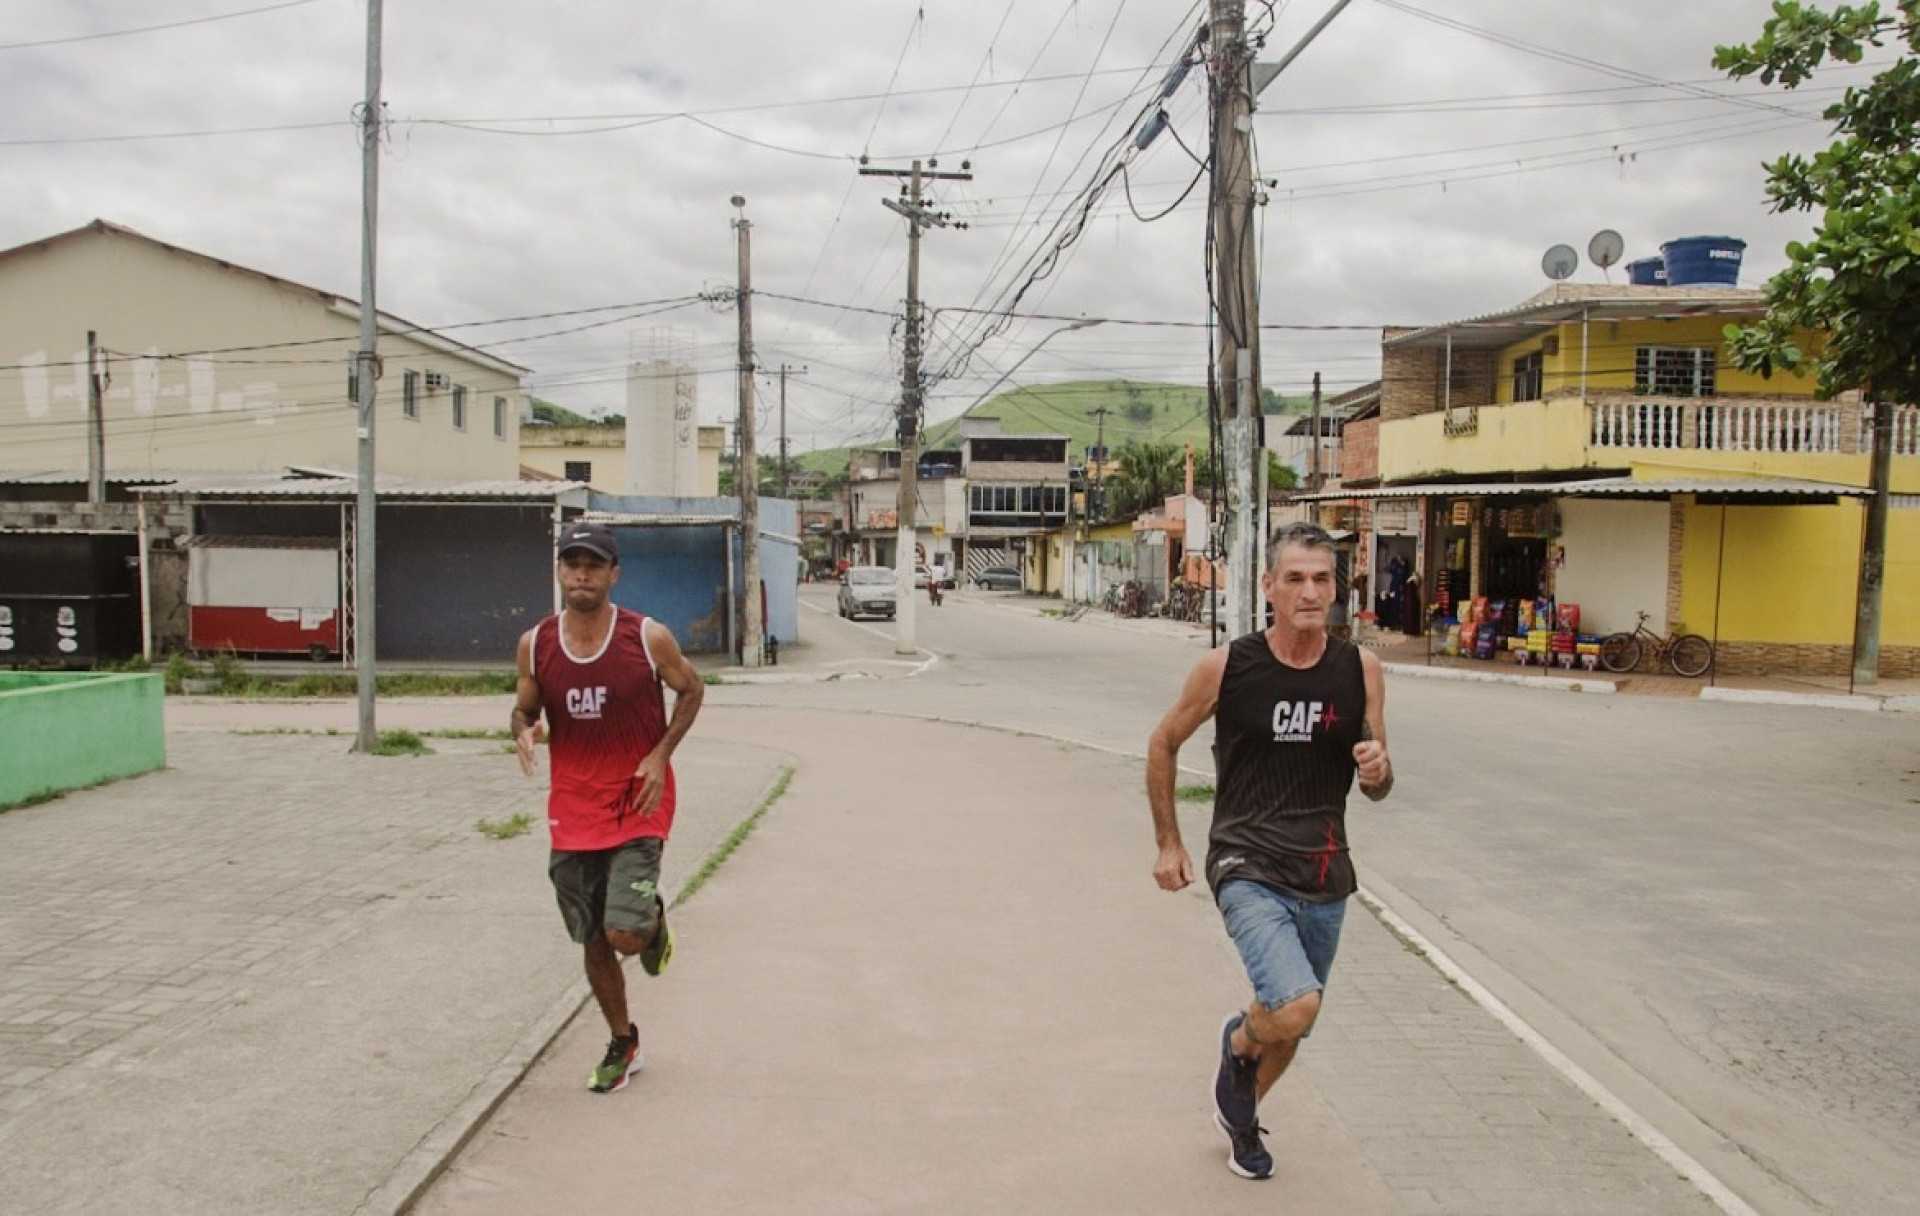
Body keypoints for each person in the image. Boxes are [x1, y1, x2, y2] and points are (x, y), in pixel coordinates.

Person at [1145, 521, 1393, 1180]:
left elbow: (1379, 781)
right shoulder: (1228, 667)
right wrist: (1169, 841)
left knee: (1295, 1024)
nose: (1310, 592)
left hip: (1325, 868)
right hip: (1246, 859)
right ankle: (1237, 1041)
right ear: (1269, 588)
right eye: (1295, 579)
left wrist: (1376, 770)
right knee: (1292, 1004)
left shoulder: (1359, 670)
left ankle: (1241, 1116)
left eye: (1321, 579)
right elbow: (1162, 743)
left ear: (1335, 588)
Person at [513, 520, 706, 1095]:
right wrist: (521, 730)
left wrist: (660, 753)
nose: (581, 573)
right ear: (558, 572)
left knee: (622, 934)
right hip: (572, 810)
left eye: (594, 564)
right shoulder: (536, 644)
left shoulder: (647, 637)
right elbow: (524, 709)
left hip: (638, 802)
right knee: (593, 939)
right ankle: (624, 1042)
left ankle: (648, 921)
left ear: (613, 574)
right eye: (572, 562)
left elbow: (692, 689)